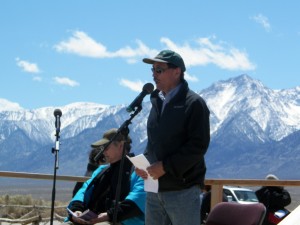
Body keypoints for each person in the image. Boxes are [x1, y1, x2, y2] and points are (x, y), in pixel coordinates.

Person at [135, 49, 210, 225]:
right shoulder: (157, 103)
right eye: (152, 70)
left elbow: (198, 146)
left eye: (159, 70)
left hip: (182, 191)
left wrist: (166, 166)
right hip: (154, 190)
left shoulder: (193, 103)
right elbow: (153, 144)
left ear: (177, 72)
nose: (154, 74)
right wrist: (145, 165)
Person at [63, 128, 146, 225]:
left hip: (119, 221)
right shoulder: (100, 171)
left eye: (106, 148)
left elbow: (136, 202)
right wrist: (77, 210)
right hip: (92, 219)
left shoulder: (140, 171)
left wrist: (108, 216)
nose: (104, 152)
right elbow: (83, 191)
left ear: (120, 145)